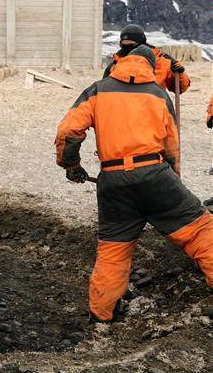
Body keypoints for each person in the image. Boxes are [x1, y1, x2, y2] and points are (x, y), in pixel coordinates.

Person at [55, 45, 212, 323]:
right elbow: (171, 146)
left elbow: (69, 130)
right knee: (201, 233)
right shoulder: (158, 94)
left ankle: (102, 313)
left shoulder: (98, 90)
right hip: (155, 175)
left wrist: (72, 165)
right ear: (152, 67)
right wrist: (173, 182)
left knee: (113, 251)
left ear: (122, 63)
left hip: (113, 181)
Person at [103, 25, 190, 93]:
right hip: (125, 110)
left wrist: (179, 74)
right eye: (124, 46)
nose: (127, 50)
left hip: (154, 109)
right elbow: (105, 91)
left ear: (142, 44)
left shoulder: (163, 61)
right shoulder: (116, 62)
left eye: (131, 46)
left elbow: (180, 89)